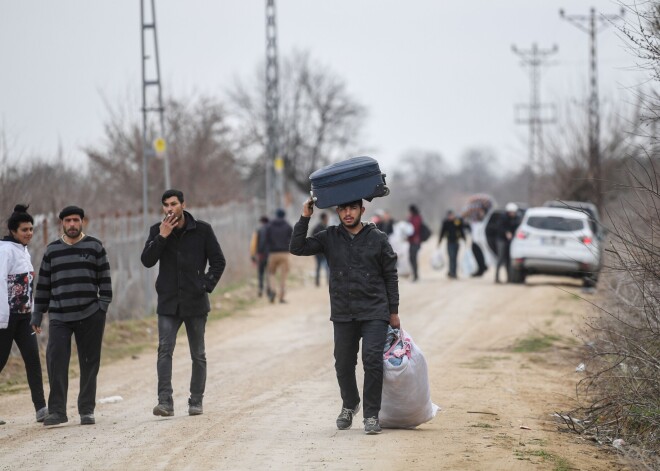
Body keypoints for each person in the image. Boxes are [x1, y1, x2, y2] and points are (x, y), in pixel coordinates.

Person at [290, 198, 400, 435]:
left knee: (372, 361)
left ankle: (371, 415)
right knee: (343, 363)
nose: (348, 213)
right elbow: (297, 248)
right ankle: (350, 404)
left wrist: (393, 312)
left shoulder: (378, 238)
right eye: (343, 209)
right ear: (337, 211)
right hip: (343, 312)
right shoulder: (329, 237)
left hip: (374, 311)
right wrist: (305, 216)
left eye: (352, 209)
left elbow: (391, 275)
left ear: (362, 210)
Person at [141, 189, 226, 417]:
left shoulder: (202, 230)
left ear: (183, 204)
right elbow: (147, 261)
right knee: (164, 351)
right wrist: (162, 236)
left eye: (173, 204)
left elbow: (218, 261)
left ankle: (196, 400)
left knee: (198, 353)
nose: (169, 208)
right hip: (168, 302)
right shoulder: (157, 231)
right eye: (166, 205)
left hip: (195, 302)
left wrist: (205, 285)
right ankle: (165, 402)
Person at [31, 205, 113, 426]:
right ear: (62, 224)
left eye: (76, 220)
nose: (72, 225)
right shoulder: (52, 251)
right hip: (59, 315)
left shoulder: (95, 246)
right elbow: (43, 285)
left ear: (82, 222)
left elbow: (105, 279)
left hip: (90, 314)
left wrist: (102, 307)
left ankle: (86, 409)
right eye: (68, 221)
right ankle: (57, 411)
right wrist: (37, 313)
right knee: (56, 361)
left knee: (89, 362)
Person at [0, 205, 48, 423]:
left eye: (31, 229)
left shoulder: (23, 250)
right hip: (6, 318)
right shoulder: (5, 250)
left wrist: (35, 314)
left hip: (24, 317)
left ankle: (41, 408)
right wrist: (2, 318)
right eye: (24, 229)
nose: (29, 233)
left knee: (33, 360)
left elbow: (28, 287)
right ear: (13, 231)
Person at [265, 208, 293, 303]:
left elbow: (266, 239)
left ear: (276, 215)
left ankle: (273, 290)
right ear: (284, 215)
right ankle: (281, 297)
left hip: (273, 253)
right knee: (283, 276)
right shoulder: (288, 226)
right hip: (285, 253)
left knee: (271, 273)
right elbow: (293, 239)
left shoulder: (270, 226)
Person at [495, 202, 521, 283]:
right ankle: (497, 277)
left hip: (510, 241)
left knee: (508, 260)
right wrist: (506, 232)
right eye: (511, 212)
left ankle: (509, 278)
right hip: (501, 240)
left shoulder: (516, 219)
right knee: (500, 258)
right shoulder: (502, 218)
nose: (513, 214)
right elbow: (499, 228)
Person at [438, 210, 466, 279]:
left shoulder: (457, 222)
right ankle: (451, 272)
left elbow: (461, 230)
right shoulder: (446, 222)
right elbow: (442, 232)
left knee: (455, 258)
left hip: (456, 242)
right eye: (450, 215)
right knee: (451, 257)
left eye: (452, 215)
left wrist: (464, 238)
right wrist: (439, 241)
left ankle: (454, 273)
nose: (451, 217)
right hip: (449, 242)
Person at [250, 215, 270, 297]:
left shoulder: (258, 230)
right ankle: (270, 289)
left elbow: (253, 244)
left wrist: (252, 256)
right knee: (269, 273)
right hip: (270, 255)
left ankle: (260, 289)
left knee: (261, 273)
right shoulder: (271, 230)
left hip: (261, 255)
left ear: (261, 222)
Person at [311, 213, 329, 286]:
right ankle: (326, 282)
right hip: (322, 251)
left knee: (322, 267)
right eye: (327, 218)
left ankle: (319, 282)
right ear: (324, 218)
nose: (328, 219)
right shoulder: (324, 228)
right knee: (326, 267)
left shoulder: (317, 227)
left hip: (321, 251)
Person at [407, 205, 423, 281]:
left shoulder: (416, 218)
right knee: (412, 258)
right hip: (412, 241)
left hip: (415, 241)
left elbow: (414, 229)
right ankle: (415, 274)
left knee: (413, 258)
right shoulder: (415, 218)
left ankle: (415, 275)